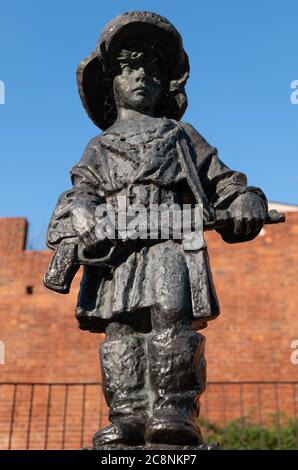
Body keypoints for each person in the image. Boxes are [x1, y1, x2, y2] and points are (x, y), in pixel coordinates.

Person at [44, 11, 268, 447]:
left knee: (171, 319)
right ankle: (126, 414)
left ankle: (173, 408)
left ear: (167, 83)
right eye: (128, 68)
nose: (141, 76)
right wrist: (85, 213)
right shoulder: (100, 146)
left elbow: (228, 182)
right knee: (122, 331)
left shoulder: (182, 136)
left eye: (151, 68)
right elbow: (79, 193)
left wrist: (245, 202)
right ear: (110, 82)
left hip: (170, 243)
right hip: (116, 254)